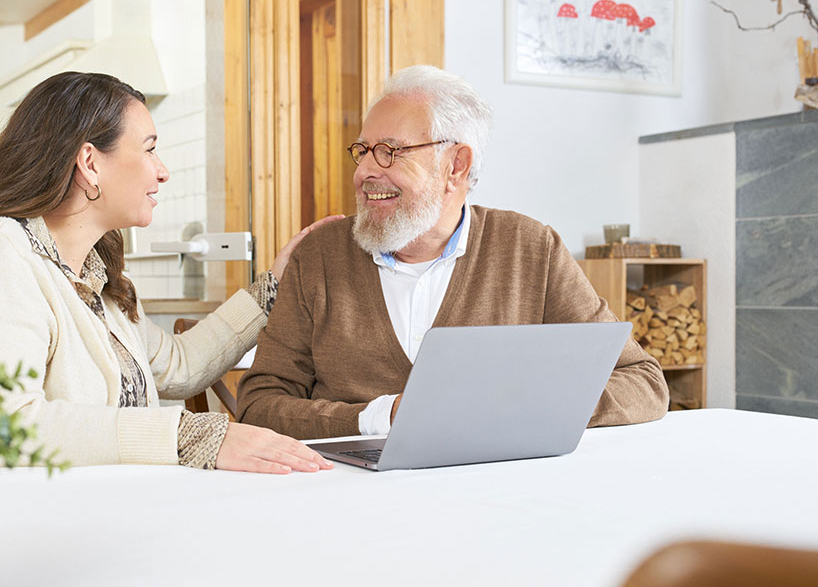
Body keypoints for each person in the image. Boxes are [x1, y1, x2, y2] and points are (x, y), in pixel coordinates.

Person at [0, 71, 336, 474]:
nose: (162, 170)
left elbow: (179, 365)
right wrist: (188, 435)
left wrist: (271, 289)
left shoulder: (95, 277)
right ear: (90, 163)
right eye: (149, 149)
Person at [235, 65, 669, 439]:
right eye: (363, 151)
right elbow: (259, 404)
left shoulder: (532, 249)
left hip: (496, 497)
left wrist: (515, 406)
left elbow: (643, 383)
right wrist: (379, 417)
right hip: (351, 494)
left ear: (456, 166)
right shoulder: (320, 256)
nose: (364, 171)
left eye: (389, 152)